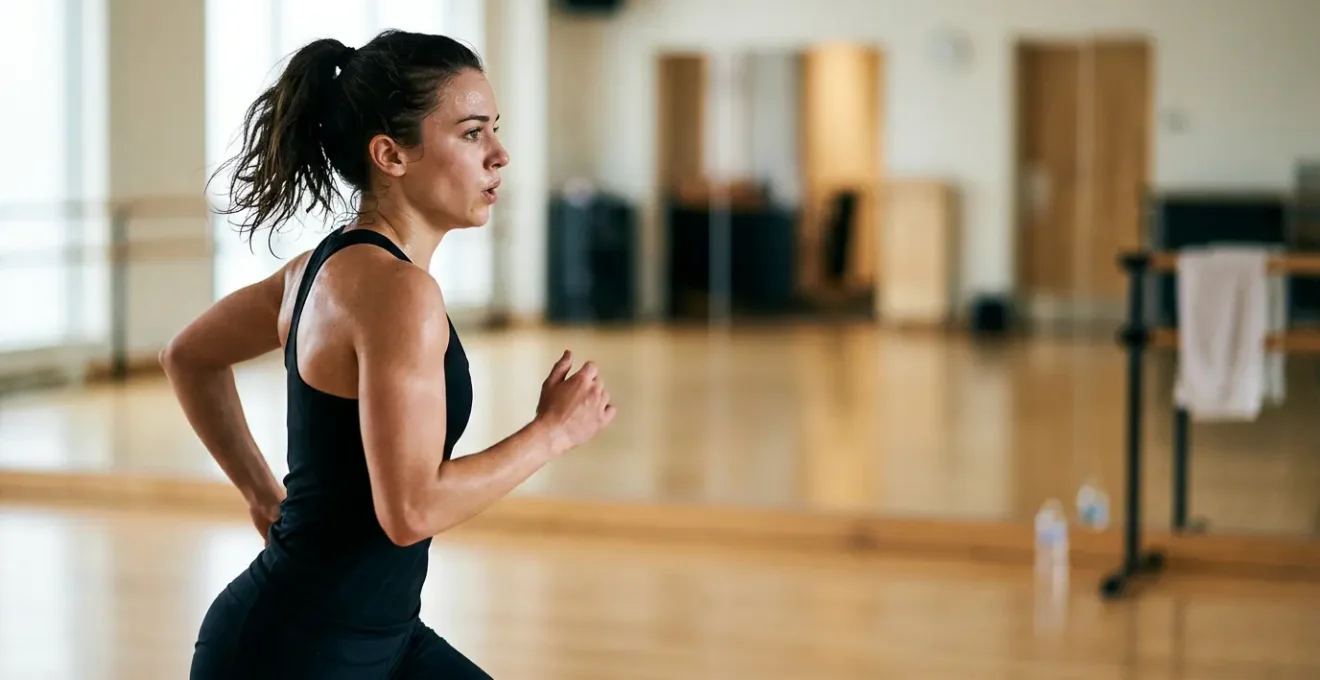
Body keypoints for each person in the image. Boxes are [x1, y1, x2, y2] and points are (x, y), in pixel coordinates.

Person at [161, 30, 616, 679]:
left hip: (381, 638)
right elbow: (411, 511)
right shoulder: (398, 294)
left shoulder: (318, 270)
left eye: (495, 129)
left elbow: (188, 356)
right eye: (471, 133)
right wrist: (552, 433)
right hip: (298, 654)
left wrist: (264, 495)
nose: (499, 154)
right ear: (391, 154)